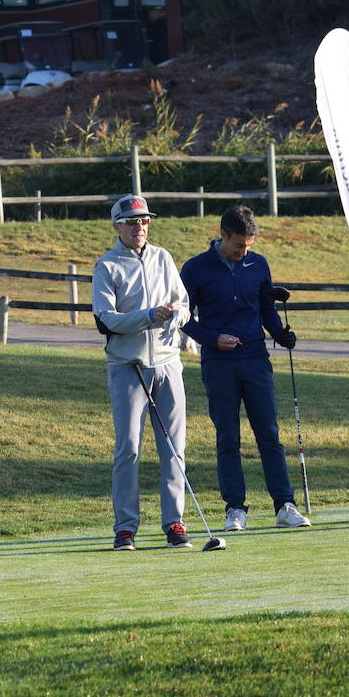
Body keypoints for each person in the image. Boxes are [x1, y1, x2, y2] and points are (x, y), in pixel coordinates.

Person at [180, 205, 310, 531]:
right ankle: (235, 509)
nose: (244, 251)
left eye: (249, 245)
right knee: (228, 438)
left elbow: (265, 307)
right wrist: (211, 338)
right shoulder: (196, 268)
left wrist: (280, 333)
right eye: (239, 244)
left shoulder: (258, 263)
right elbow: (183, 316)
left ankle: (284, 505)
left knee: (269, 434)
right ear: (223, 235)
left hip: (255, 360)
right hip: (219, 363)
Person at [92, 195, 193, 551]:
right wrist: (150, 316)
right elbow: (108, 319)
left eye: (144, 221)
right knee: (129, 449)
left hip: (167, 363)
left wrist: (175, 316)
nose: (140, 228)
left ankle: (175, 524)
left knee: (173, 447)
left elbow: (183, 303)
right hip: (127, 367)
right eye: (132, 222)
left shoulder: (163, 257)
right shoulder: (106, 266)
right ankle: (125, 528)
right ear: (117, 225)